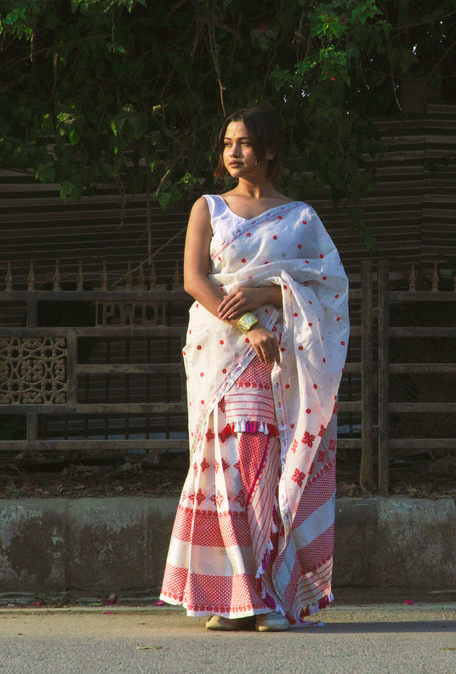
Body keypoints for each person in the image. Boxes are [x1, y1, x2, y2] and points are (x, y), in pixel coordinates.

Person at [158, 106, 349, 631]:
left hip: (284, 362)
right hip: (225, 353)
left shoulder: (302, 217)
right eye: (226, 144)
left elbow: (330, 286)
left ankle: (268, 595)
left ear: (269, 150)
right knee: (229, 467)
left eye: (243, 143)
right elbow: (196, 280)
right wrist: (250, 324)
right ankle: (236, 599)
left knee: (269, 464)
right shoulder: (209, 208)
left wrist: (268, 292)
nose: (233, 153)